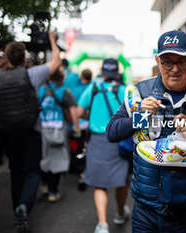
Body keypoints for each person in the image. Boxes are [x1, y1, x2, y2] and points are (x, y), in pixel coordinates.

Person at [106, 30, 186, 233]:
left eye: (181, 61)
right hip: (146, 209)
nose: (174, 69)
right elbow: (112, 133)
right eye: (166, 62)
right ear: (157, 60)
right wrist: (140, 116)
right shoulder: (140, 92)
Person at [0, 32, 61, 232]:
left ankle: (17, 210)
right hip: (31, 130)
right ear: (23, 58)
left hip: (9, 133)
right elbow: (56, 62)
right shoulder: (31, 74)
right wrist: (53, 41)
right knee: (32, 171)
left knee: (16, 171)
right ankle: (24, 206)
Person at [76, 58, 129, 233]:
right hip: (120, 141)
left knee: (100, 184)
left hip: (97, 141)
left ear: (102, 70)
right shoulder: (123, 90)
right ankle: (120, 213)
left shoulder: (93, 88)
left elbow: (79, 112)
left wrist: (92, 117)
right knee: (121, 180)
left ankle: (102, 224)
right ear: (117, 71)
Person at [39, 66, 79, 202]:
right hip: (59, 129)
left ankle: (44, 184)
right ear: (61, 78)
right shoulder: (64, 91)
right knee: (57, 160)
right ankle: (53, 191)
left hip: (43, 128)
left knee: (44, 157)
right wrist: (76, 127)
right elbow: (73, 111)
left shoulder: (42, 89)